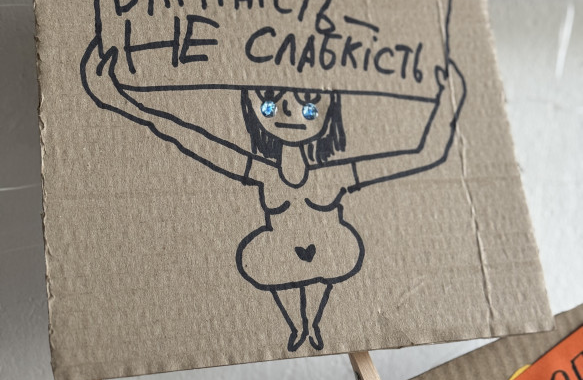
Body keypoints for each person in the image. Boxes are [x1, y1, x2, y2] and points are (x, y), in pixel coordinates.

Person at [82, 38, 465, 352]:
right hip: (279, 250)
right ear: (253, 108)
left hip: (329, 247)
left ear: (329, 111)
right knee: (280, 273)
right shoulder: (262, 172)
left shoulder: (335, 176)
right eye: (270, 102)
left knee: (321, 270)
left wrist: (450, 102)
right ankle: (299, 325)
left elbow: (421, 155)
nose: (288, 111)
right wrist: (120, 99)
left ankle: (312, 322)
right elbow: (191, 139)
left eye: (308, 106)